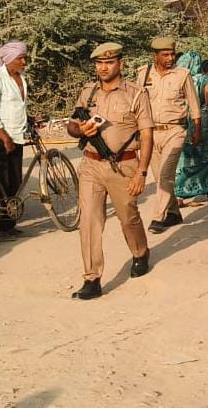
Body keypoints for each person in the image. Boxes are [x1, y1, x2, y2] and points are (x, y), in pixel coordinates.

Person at [67, 42, 155, 300]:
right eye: (99, 63)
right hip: (91, 165)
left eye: (109, 62)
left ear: (120, 64)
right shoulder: (88, 92)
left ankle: (140, 252)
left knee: (128, 217)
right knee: (89, 221)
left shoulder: (136, 94)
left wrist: (141, 173)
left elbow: (147, 135)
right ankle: (91, 278)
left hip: (124, 166)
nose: (103, 67)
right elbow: (72, 125)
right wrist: (80, 130)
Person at [136, 37, 201, 234]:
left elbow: (194, 104)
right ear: (155, 55)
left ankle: (158, 217)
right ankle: (173, 212)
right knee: (159, 178)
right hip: (150, 133)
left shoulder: (182, 75)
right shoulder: (143, 74)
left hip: (175, 131)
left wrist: (196, 129)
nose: (170, 58)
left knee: (166, 174)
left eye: (172, 54)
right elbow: (137, 104)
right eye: (165, 55)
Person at [174, 52, 208, 207]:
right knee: (207, 155)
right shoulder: (205, 79)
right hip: (203, 123)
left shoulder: (178, 79)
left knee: (184, 158)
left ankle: (178, 196)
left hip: (182, 121)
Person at [0, 41, 29, 233]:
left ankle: (9, 223)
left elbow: (19, 106)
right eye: (20, 59)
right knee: (3, 181)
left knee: (15, 180)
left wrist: (29, 119)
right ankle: (3, 224)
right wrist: (4, 137)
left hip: (18, 135)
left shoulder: (21, 78)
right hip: (2, 138)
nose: (24, 62)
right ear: (9, 59)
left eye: (25, 58)